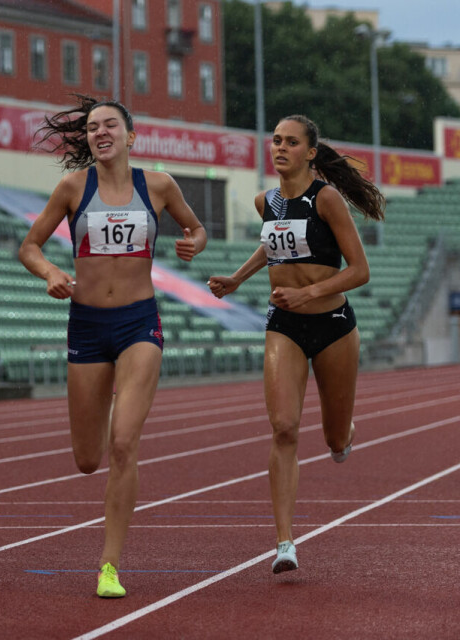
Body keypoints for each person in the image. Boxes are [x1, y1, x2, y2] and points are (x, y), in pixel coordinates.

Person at [18, 95, 206, 598]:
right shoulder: (73, 187)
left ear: (130, 135)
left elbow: (195, 227)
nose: (100, 132)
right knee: (87, 458)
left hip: (139, 323)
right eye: (92, 127)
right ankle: (98, 423)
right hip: (86, 326)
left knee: (124, 443)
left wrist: (194, 243)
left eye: (109, 125)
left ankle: (109, 565)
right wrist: (52, 272)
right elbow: (28, 246)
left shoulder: (158, 185)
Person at [207, 114, 384, 575]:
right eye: (276, 141)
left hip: (334, 326)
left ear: (310, 152)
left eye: (291, 142)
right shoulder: (265, 201)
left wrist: (309, 292)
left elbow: (360, 270)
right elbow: (272, 245)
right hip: (283, 324)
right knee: (284, 427)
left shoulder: (326, 199)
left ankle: (344, 434)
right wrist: (236, 278)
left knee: (332, 437)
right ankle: (285, 542)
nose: (280, 148)